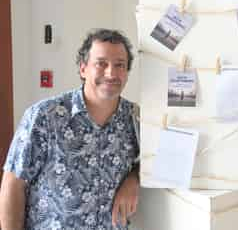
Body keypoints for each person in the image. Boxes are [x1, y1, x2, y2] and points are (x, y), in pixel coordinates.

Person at [0, 29, 140, 230]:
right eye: (101, 64)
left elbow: (154, 160)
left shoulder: (134, 119)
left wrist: (134, 178)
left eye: (120, 65)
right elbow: (13, 184)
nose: (111, 73)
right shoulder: (45, 116)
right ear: (83, 69)